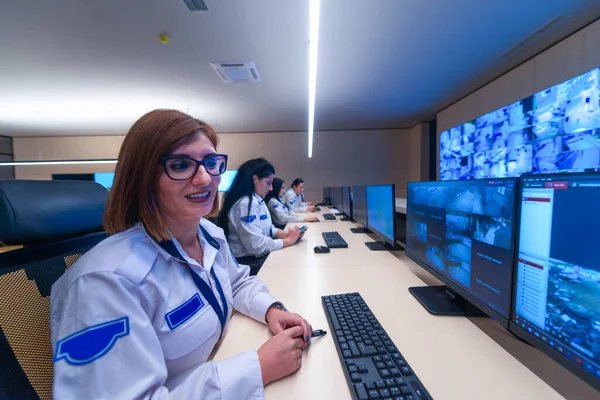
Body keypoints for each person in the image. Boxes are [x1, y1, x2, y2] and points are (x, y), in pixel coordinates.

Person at [50, 110, 313, 399]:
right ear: (143, 178)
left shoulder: (208, 234)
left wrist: (271, 309)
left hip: (219, 361)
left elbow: (237, 282)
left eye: (211, 163)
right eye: (180, 165)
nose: (204, 178)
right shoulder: (105, 283)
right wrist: (257, 368)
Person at [218, 158, 301, 275]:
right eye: (268, 183)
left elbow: (268, 229)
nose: (271, 188)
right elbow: (256, 245)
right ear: (255, 179)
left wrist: (285, 234)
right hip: (248, 263)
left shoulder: (257, 200)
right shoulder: (245, 204)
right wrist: (288, 240)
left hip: (255, 258)